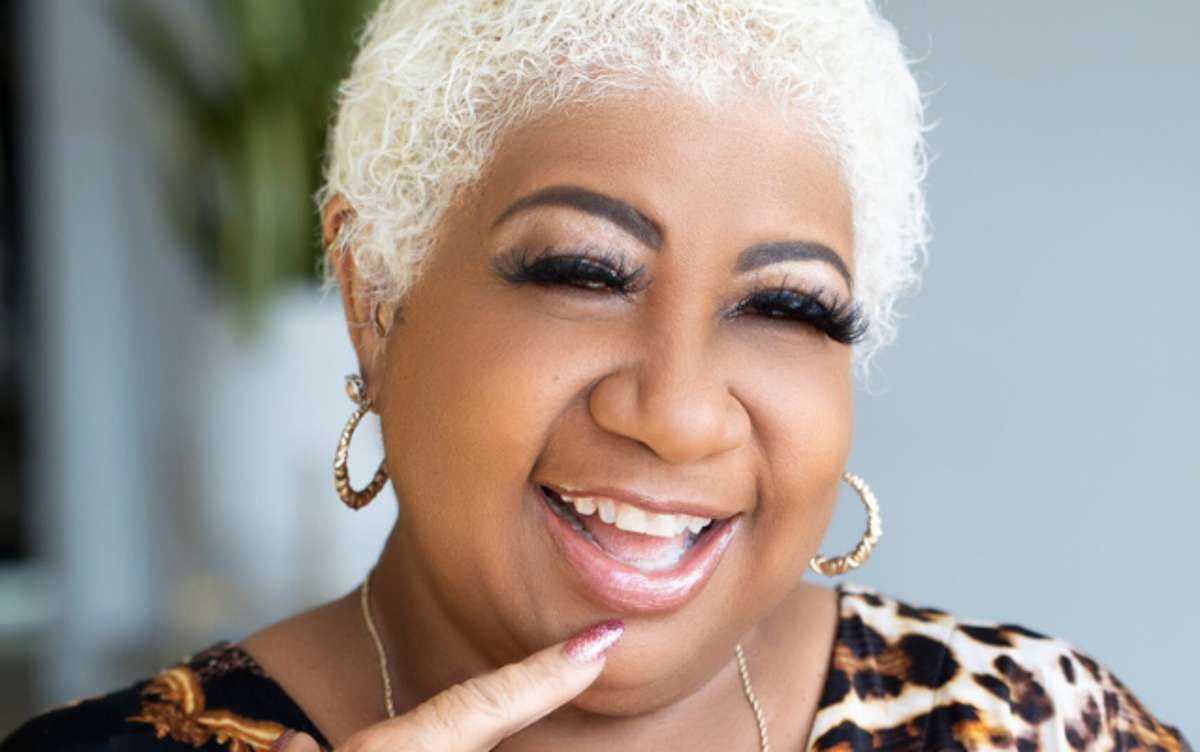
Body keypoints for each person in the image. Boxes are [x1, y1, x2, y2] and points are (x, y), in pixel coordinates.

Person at [3, 1, 1191, 750]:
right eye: (584, 271)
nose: (676, 413)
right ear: (375, 298)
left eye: (787, 305)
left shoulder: (1038, 722)